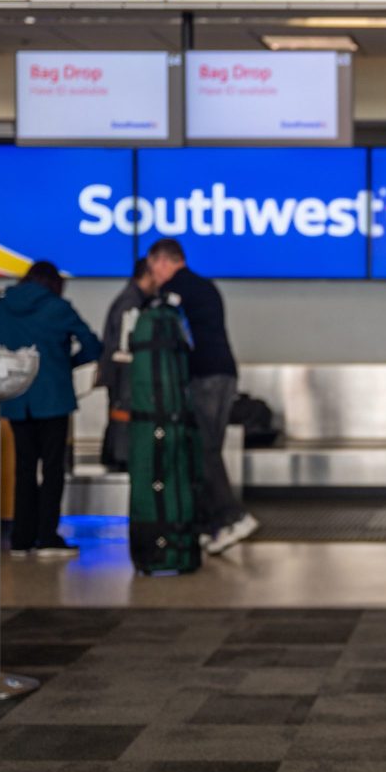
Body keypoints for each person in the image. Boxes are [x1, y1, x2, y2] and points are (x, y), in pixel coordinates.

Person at [146, 238, 258, 555]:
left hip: (205, 377)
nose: (153, 275)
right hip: (224, 374)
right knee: (207, 447)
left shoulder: (175, 291)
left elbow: (168, 332)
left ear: (165, 261)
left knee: (203, 448)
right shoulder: (205, 286)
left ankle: (232, 516)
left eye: (154, 267)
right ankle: (214, 525)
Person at [0, 260, 102, 559]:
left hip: (16, 398)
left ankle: (22, 539)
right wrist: (67, 364)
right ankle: (47, 536)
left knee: (24, 468)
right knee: (52, 469)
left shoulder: (2, 307)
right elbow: (92, 344)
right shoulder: (58, 308)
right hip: (53, 398)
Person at [97, 258, 157, 471]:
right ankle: (121, 461)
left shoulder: (131, 299)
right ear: (148, 275)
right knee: (123, 420)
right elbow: (126, 347)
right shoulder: (131, 303)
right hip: (125, 376)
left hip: (119, 374)